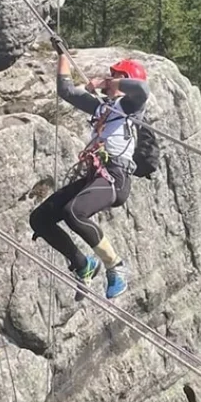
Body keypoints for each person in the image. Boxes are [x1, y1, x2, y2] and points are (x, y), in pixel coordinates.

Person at [29, 40, 150, 300]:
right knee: (40, 218)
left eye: (116, 75)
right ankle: (82, 265)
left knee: (74, 212)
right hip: (96, 175)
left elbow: (141, 88)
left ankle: (115, 265)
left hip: (115, 177)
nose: (110, 78)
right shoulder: (102, 108)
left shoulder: (130, 107)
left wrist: (109, 83)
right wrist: (62, 55)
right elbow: (66, 91)